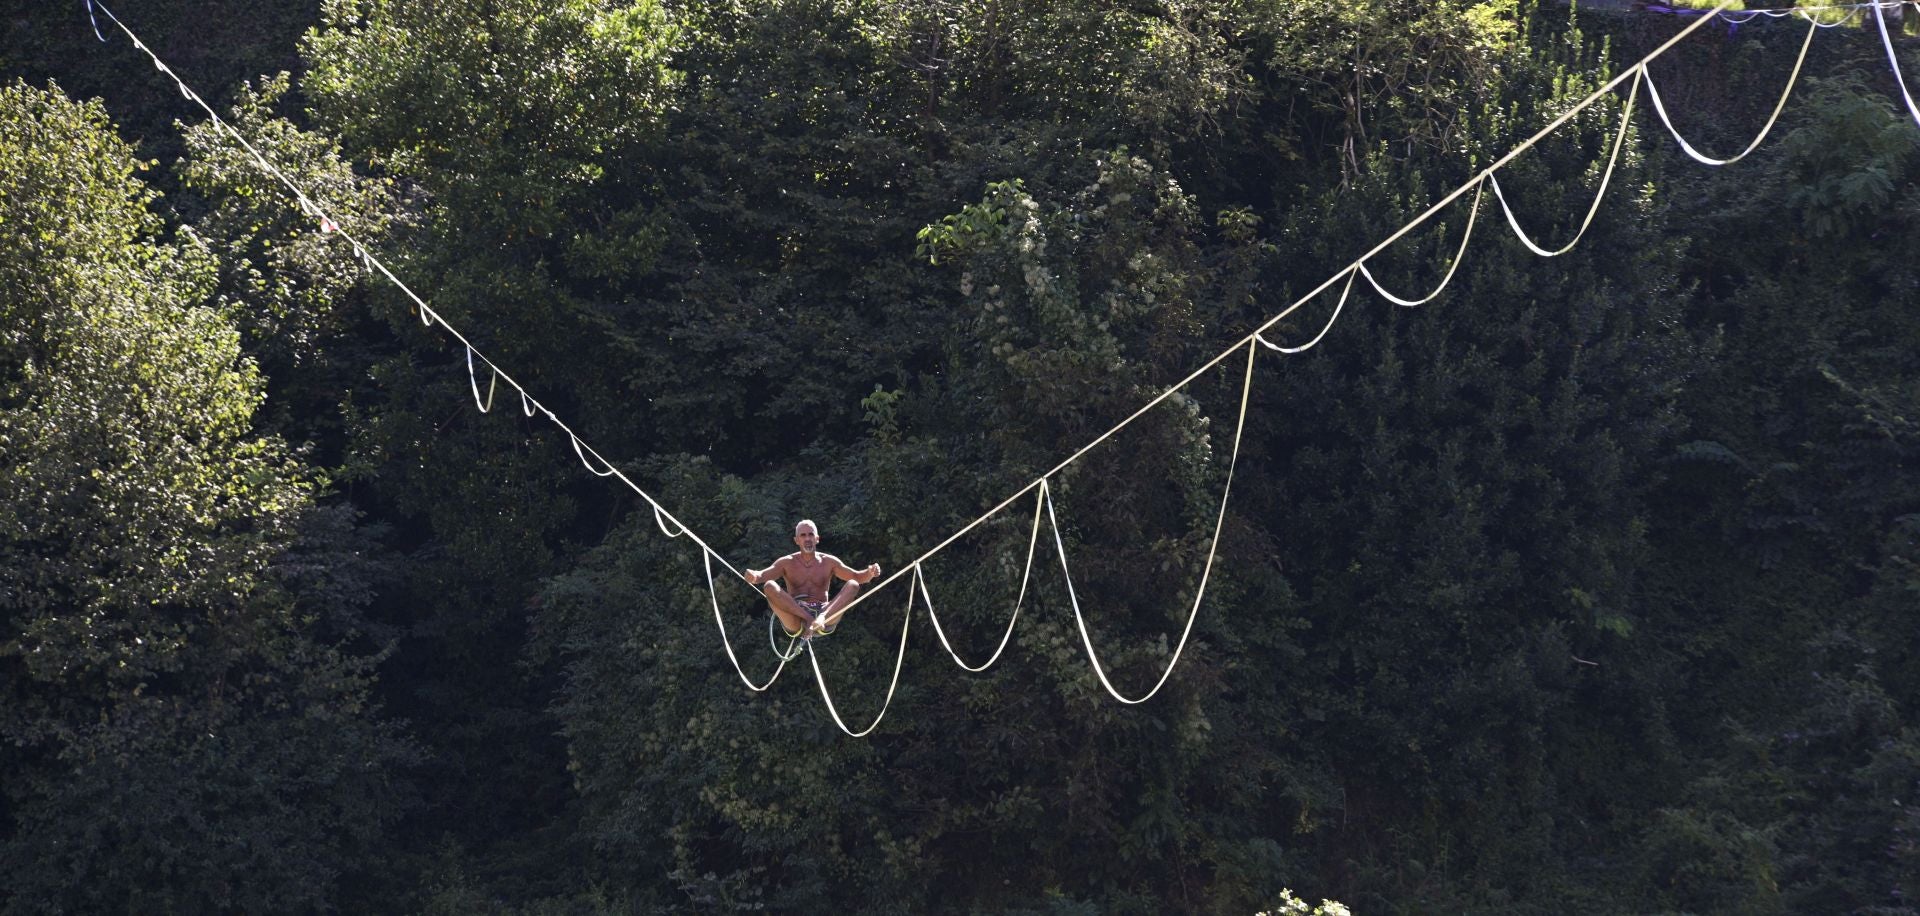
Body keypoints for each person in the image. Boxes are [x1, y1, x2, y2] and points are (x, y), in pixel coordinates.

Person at [745, 519, 881, 638]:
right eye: (803, 535)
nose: (807, 538)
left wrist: (870, 572)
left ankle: (819, 620)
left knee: (853, 585)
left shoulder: (828, 562)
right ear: (797, 540)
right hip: (796, 616)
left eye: (811, 534)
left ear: (817, 538)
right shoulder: (786, 562)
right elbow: (761, 576)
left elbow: (857, 577)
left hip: (824, 615)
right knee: (769, 586)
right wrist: (753, 575)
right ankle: (809, 619)